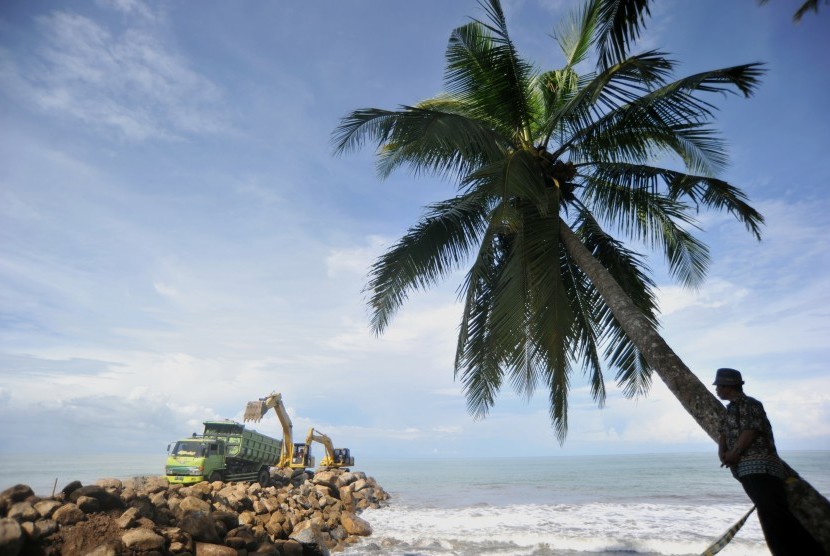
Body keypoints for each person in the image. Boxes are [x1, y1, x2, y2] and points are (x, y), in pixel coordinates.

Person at [714, 367, 823, 555]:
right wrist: (722, 452)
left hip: (761, 468)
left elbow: (751, 430)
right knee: (769, 513)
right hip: (746, 470)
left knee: (774, 513)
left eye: (719, 387)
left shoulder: (750, 404)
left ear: (729, 387)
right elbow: (723, 433)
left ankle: (808, 551)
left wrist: (735, 453)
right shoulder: (730, 409)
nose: (717, 390)